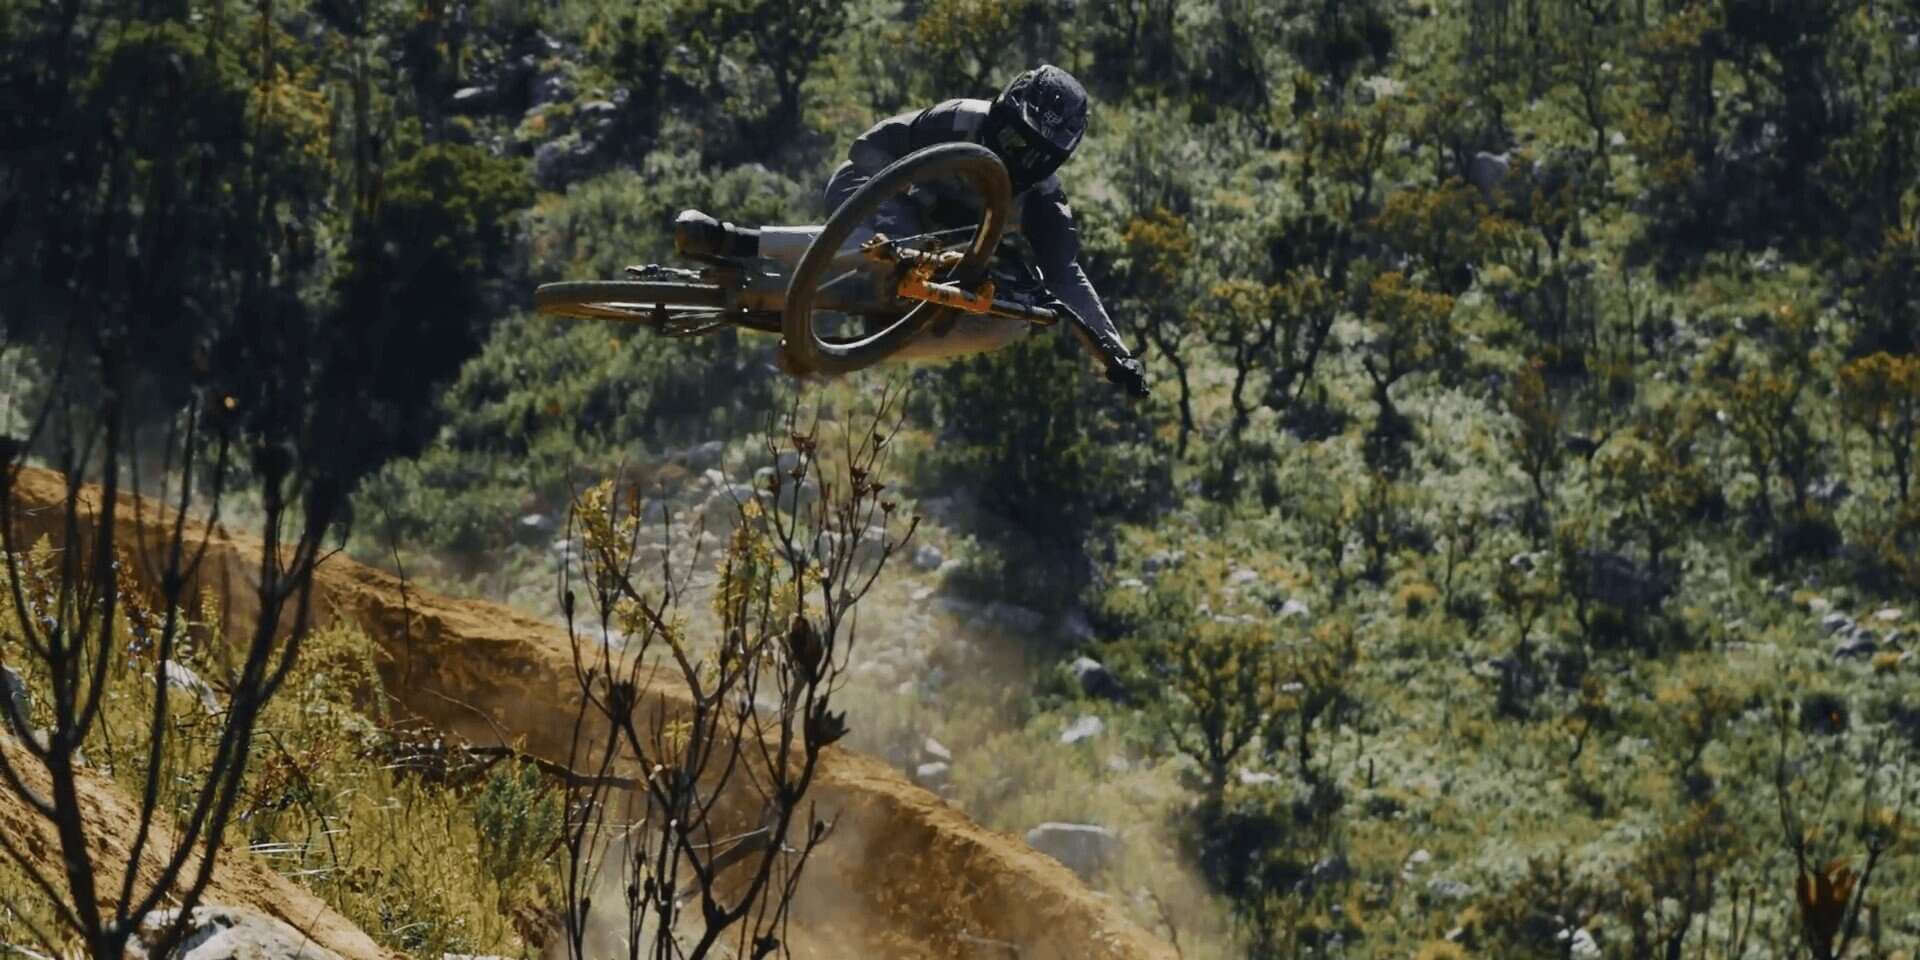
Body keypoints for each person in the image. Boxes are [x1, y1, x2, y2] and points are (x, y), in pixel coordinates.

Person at [679, 65, 1148, 396]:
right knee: (894, 243)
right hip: (873, 191)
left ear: (1055, 161)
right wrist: (901, 214)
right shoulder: (960, 119)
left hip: (943, 254)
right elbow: (868, 148)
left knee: (1014, 322)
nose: (1018, 160)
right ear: (1000, 115)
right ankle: (736, 239)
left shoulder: (1045, 200)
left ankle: (842, 353)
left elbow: (1068, 280)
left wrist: (1115, 355)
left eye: (1035, 156)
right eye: (1011, 142)